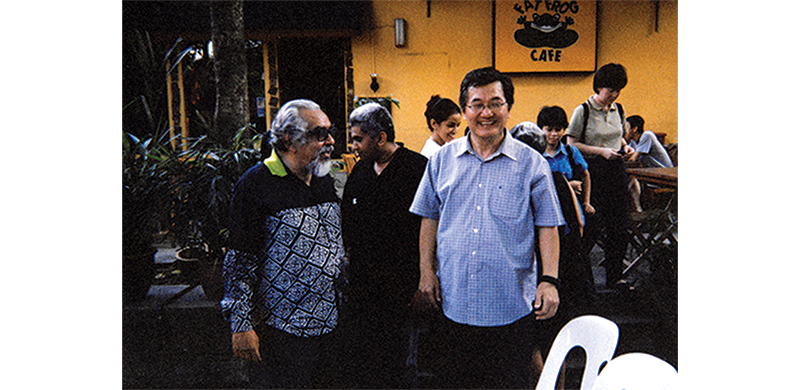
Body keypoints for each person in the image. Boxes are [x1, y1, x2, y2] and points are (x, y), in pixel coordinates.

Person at [410, 67, 564, 389]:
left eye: (496, 103)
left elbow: (548, 225)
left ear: (508, 108)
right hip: (454, 304)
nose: (486, 112)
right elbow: (429, 217)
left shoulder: (531, 163)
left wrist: (549, 280)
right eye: (476, 104)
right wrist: (426, 271)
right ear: (465, 110)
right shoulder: (441, 160)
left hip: (510, 308)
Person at [221, 99, 344, 389]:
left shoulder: (324, 179)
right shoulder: (255, 184)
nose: (330, 140)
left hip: (332, 325)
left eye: (330, 131)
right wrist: (241, 324)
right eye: (319, 133)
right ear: (289, 139)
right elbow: (239, 260)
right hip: (283, 331)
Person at [339, 102, 429, 388]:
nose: (353, 145)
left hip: (405, 290)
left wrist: (423, 281)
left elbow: (432, 228)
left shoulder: (417, 169)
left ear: (380, 138)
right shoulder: (360, 172)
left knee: (404, 364)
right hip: (365, 292)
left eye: (358, 139)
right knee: (368, 364)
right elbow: (348, 225)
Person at [565, 63, 634, 289]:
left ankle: (615, 275)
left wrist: (627, 147)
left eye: (617, 91)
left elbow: (620, 136)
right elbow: (572, 143)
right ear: (599, 87)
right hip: (593, 171)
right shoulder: (582, 111)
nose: (613, 95)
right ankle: (580, 278)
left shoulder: (618, 109)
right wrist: (601, 151)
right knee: (591, 225)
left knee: (620, 225)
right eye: (610, 90)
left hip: (616, 170)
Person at [624, 115, 673, 212]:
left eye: (626, 127)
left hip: (664, 176)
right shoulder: (634, 142)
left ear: (634, 129)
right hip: (650, 175)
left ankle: (628, 205)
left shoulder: (647, 135)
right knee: (631, 179)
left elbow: (633, 159)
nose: (624, 130)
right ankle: (638, 210)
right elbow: (630, 155)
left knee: (631, 178)